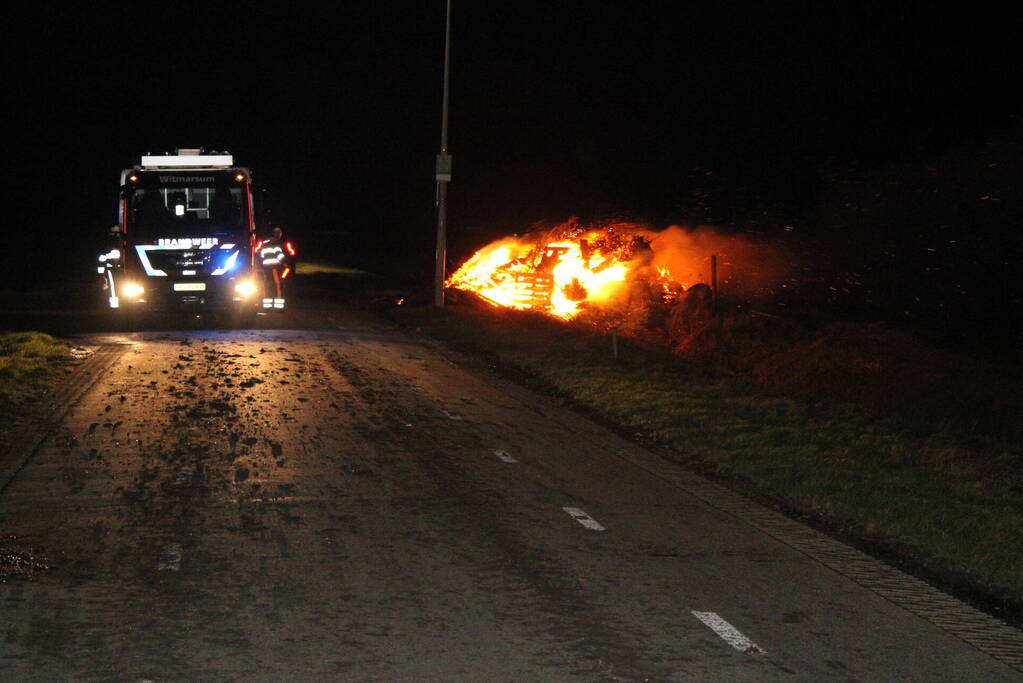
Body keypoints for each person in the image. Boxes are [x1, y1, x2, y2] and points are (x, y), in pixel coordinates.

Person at [258, 227, 295, 310]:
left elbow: (260, 255)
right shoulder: (276, 243)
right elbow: (279, 255)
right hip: (275, 267)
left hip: (266, 267)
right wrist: (285, 263)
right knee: (278, 284)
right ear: (278, 234)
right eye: (280, 234)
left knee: (267, 285)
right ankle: (278, 307)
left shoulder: (265, 242)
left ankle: (266, 306)